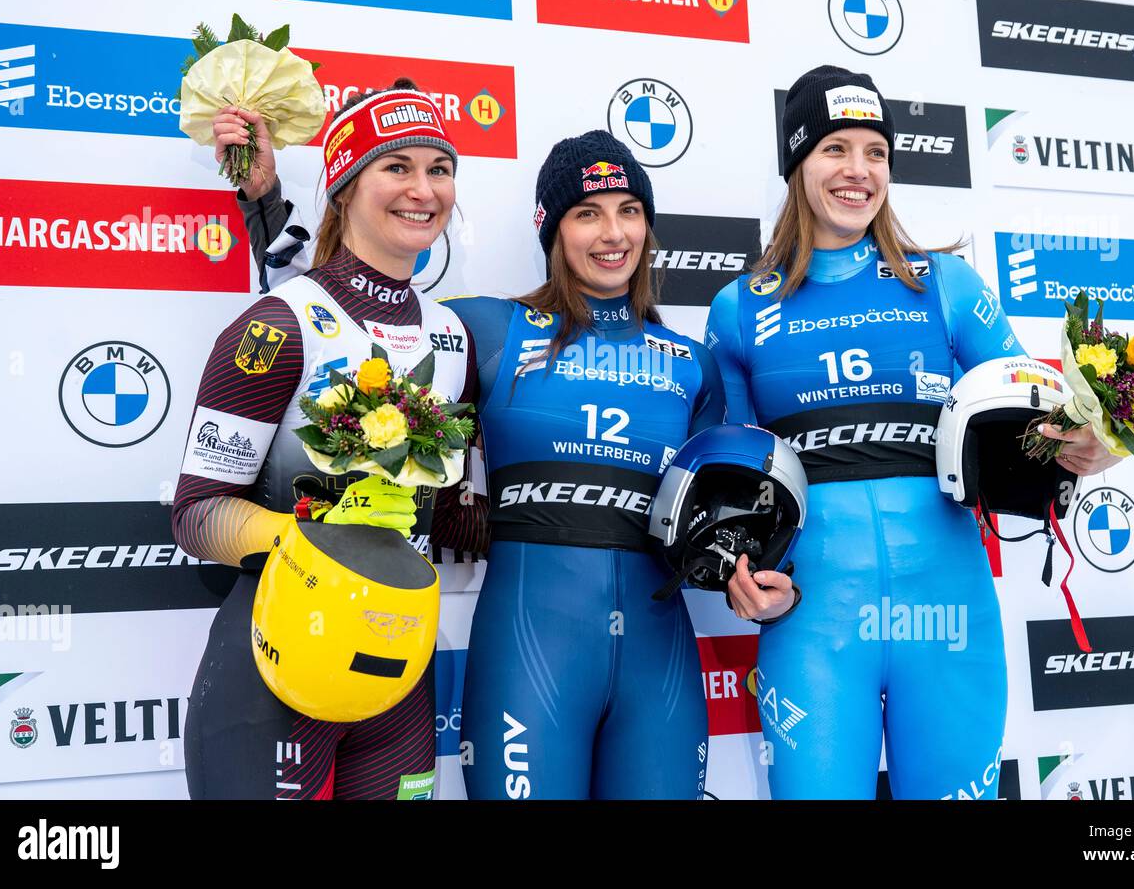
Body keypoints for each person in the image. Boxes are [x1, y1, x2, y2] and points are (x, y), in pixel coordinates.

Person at [241, 129, 727, 798]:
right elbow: (347, 316)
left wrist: (751, 577)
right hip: (532, 655)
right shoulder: (489, 330)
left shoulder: (693, 364)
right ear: (553, 231)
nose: (612, 233)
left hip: (660, 667)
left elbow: (714, 527)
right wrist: (266, 202)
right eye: (587, 213)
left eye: (629, 210)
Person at [706, 66, 1120, 800]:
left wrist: (1092, 447)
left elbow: (1042, 421)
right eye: (836, 148)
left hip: (949, 609)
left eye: (876, 151)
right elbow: (734, 482)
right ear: (798, 162)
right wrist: (740, 574)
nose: (858, 171)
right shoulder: (739, 307)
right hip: (815, 624)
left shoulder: (948, 284)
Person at [172, 80, 485, 800]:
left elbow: (460, 516)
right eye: (396, 167)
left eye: (439, 169)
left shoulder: (452, 338)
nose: (423, 189)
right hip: (278, 666)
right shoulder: (278, 325)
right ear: (345, 187)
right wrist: (308, 537)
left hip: (399, 673)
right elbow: (196, 515)